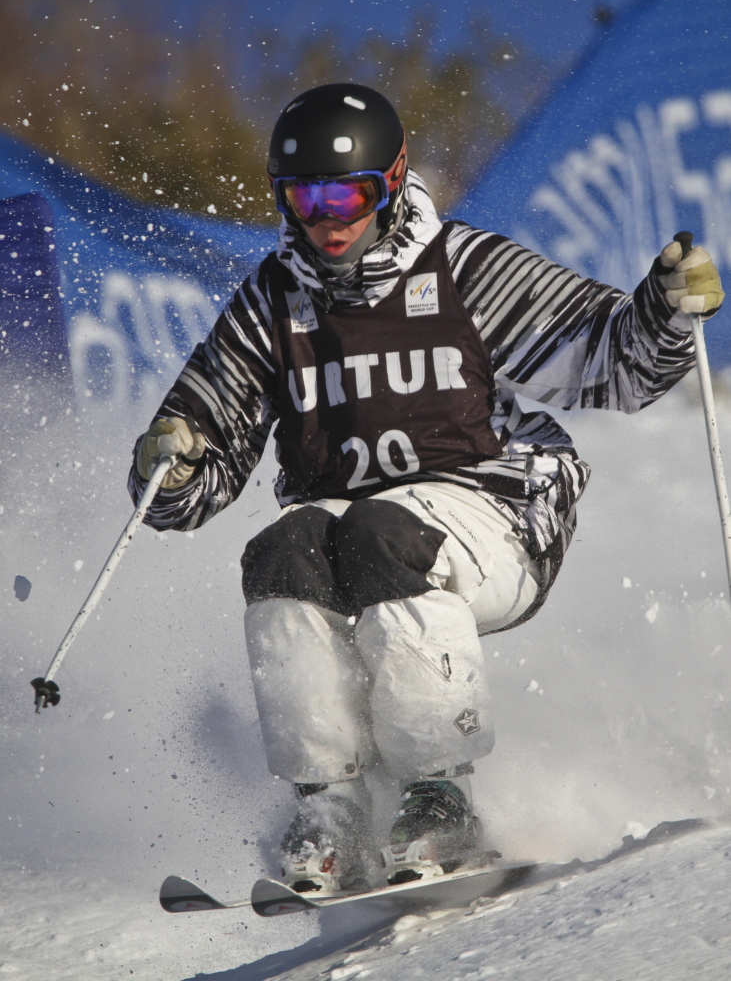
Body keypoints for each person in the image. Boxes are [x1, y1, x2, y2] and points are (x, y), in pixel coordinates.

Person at [129, 83, 724, 893]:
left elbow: (608, 361)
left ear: (391, 181)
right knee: (283, 550)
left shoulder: (462, 268)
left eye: (349, 193)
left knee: (382, 533)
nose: (327, 218)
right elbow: (189, 470)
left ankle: (437, 794)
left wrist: (660, 311)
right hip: (357, 526)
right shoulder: (276, 300)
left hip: (503, 509)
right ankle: (329, 805)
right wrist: (173, 460)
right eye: (304, 198)